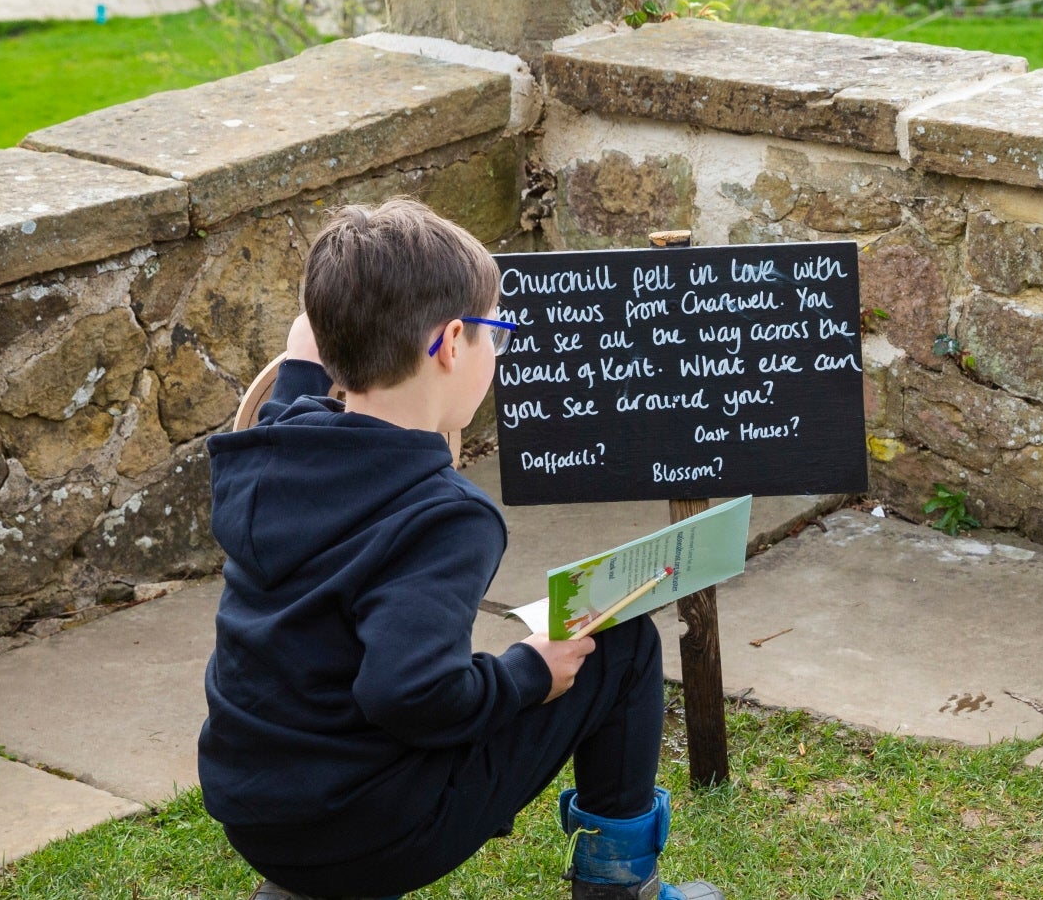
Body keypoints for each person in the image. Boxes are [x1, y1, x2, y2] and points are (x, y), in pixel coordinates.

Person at [197, 198, 721, 900]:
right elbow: (410, 692)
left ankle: (299, 888)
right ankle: (620, 885)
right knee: (619, 643)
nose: (496, 354)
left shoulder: (271, 452)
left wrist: (325, 327)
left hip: (256, 808)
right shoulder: (443, 517)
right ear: (449, 343)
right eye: (493, 335)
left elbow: (300, 367)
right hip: (373, 832)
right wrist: (529, 672)